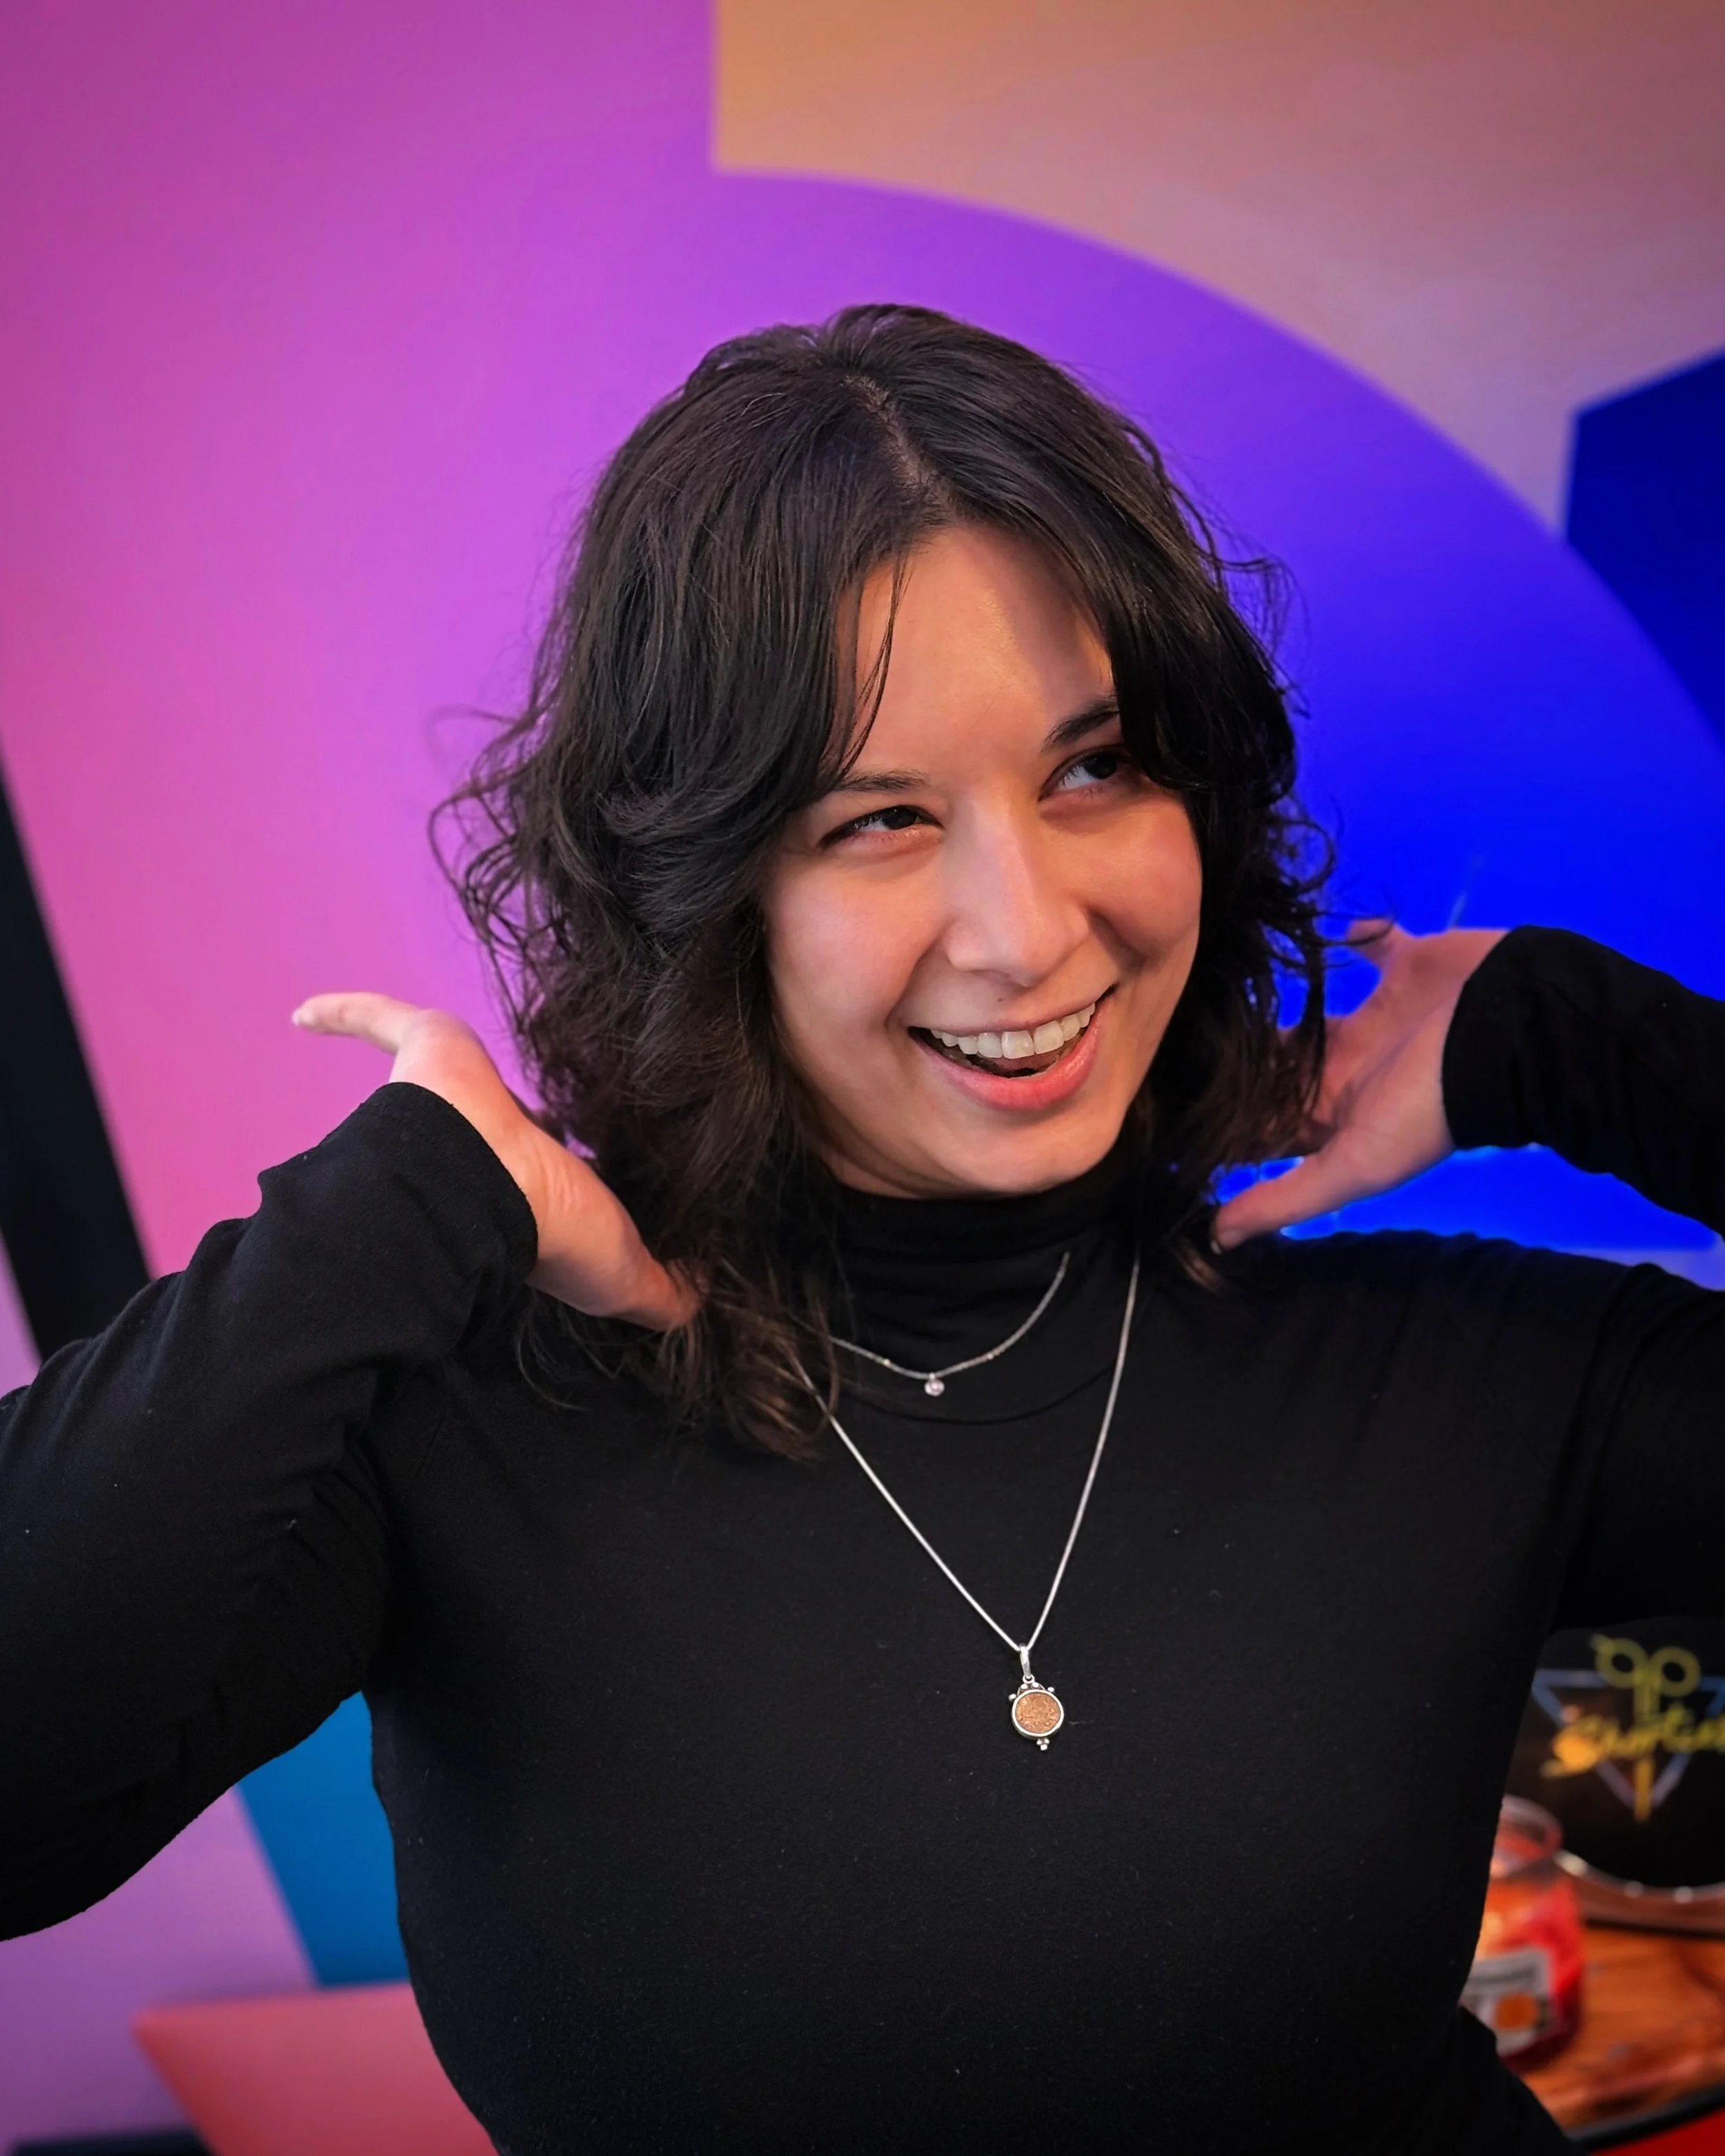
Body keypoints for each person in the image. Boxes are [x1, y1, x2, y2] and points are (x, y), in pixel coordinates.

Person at [1, 304, 1720, 2155]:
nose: (1025, 928)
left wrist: (1579, 1045)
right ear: (704, 889)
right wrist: (391, 1211)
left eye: (1092, 768)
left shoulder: (1451, 1370)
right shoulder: (466, 1421)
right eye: (880, 817)